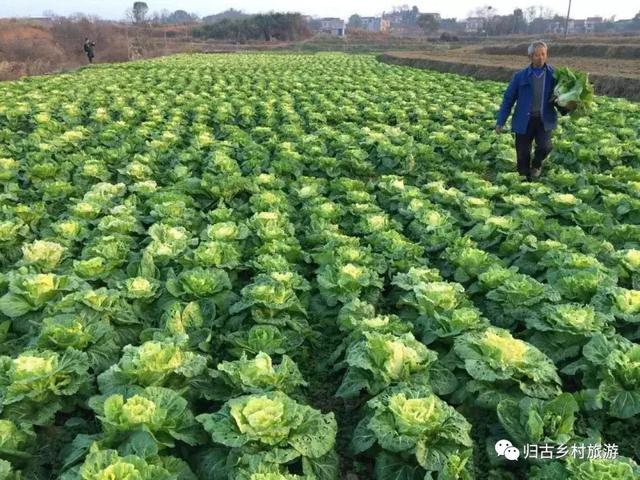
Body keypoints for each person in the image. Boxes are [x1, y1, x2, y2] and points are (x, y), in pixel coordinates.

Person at [495, 41, 569, 181]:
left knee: (545, 147)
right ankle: (524, 182)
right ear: (530, 56)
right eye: (537, 55)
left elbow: (562, 98)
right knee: (522, 156)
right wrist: (501, 121)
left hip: (543, 120)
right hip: (524, 120)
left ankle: (536, 165)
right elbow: (508, 99)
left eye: (543, 54)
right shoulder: (520, 76)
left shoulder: (554, 76)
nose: (540, 58)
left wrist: (568, 106)